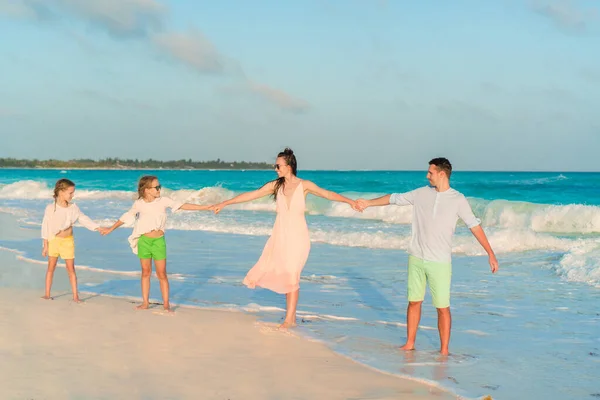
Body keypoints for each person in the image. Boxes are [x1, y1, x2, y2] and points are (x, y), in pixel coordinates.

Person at [356, 158, 498, 355]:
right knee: (414, 301)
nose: (427, 175)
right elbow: (393, 198)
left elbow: (474, 226)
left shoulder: (458, 199)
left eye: (430, 172)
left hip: (440, 262)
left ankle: (444, 350)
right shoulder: (421, 193)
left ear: (441, 174)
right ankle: (410, 342)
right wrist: (368, 203)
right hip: (416, 257)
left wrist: (490, 253)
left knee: (442, 307)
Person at [210, 148, 361, 329]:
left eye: (278, 165)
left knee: (292, 273)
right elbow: (251, 194)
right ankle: (290, 318)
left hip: (298, 236)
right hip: (280, 236)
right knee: (284, 273)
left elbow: (327, 194)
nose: (276, 169)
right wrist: (224, 203)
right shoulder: (276, 186)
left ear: (289, 166)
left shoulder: (304, 185)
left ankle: (290, 319)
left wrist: (350, 201)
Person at [102, 175, 211, 312]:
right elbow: (126, 217)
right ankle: (145, 303)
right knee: (145, 272)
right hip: (144, 241)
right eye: (156, 187)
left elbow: (183, 206)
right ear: (147, 190)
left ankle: (166, 305)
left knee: (162, 274)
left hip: (159, 241)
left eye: (159, 186)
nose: (159, 189)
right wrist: (110, 228)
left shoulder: (163, 201)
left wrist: (207, 207)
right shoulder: (139, 204)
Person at [41, 178, 106, 302]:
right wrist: (45, 245)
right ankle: (47, 294)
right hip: (54, 240)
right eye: (70, 192)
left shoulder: (73, 208)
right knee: (51, 267)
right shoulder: (51, 208)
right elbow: (45, 226)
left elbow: (83, 219)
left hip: (67, 241)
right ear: (61, 192)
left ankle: (75, 296)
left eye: (73, 192)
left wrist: (97, 227)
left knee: (71, 269)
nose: (73, 195)